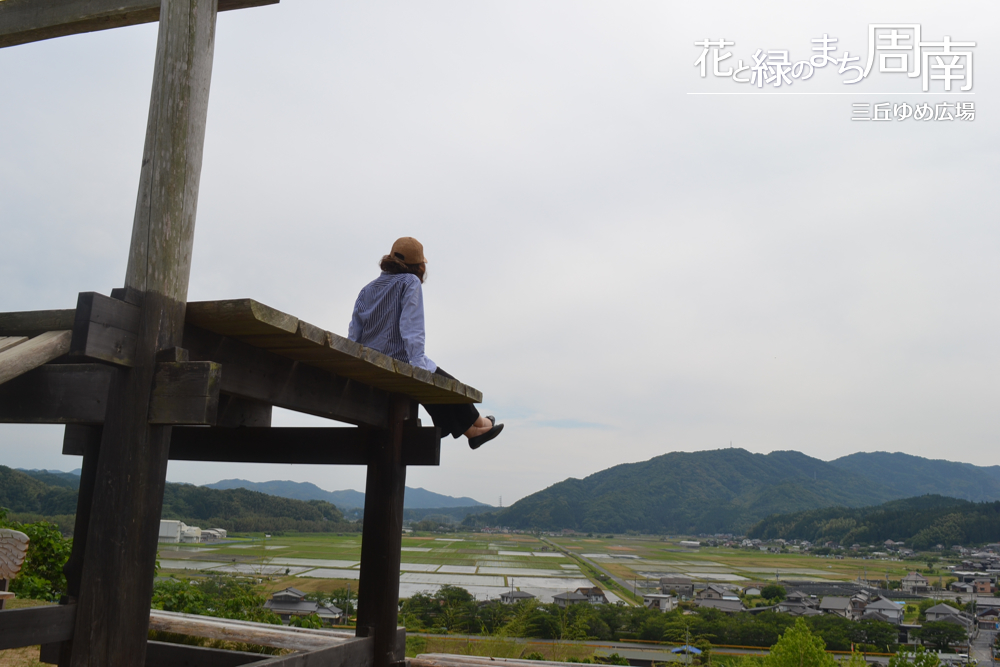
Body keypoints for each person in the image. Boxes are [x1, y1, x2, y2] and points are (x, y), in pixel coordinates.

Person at [348, 237, 504, 450]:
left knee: (440, 389)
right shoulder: (409, 282)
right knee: (450, 388)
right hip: (400, 361)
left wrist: (355, 363)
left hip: (370, 361)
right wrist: (419, 367)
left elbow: (354, 332)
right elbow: (411, 328)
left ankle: (474, 430)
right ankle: (478, 425)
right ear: (418, 265)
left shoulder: (367, 289)